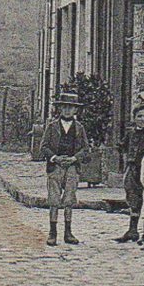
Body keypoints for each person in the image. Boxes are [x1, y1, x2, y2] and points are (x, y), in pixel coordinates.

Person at [39, 91, 87, 247]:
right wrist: (55, 158)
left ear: (76, 110)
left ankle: (68, 231)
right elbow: (44, 147)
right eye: (64, 107)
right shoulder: (52, 126)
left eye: (71, 107)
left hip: (72, 166)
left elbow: (86, 149)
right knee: (54, 199)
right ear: (60, 109)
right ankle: (52, 232)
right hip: (56, 166)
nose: (67, 110)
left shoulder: (79, 128)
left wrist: (75, 158)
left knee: (69, 199)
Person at [114, 107, 144, 243]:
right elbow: (121, 146)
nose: (142, 119)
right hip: (132, 170)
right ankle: (132, 230)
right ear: (134, 118)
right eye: (139, 116)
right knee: (133, 199)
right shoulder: (131, 133)